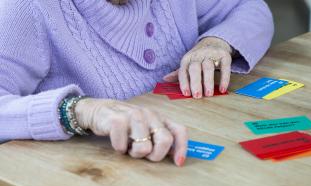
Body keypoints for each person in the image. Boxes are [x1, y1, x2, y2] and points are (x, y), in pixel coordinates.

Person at [0, 0, 274, 166]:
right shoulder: (25, 8)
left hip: (186, 164)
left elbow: (249, 7)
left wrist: (216, 42)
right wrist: (80, 110)